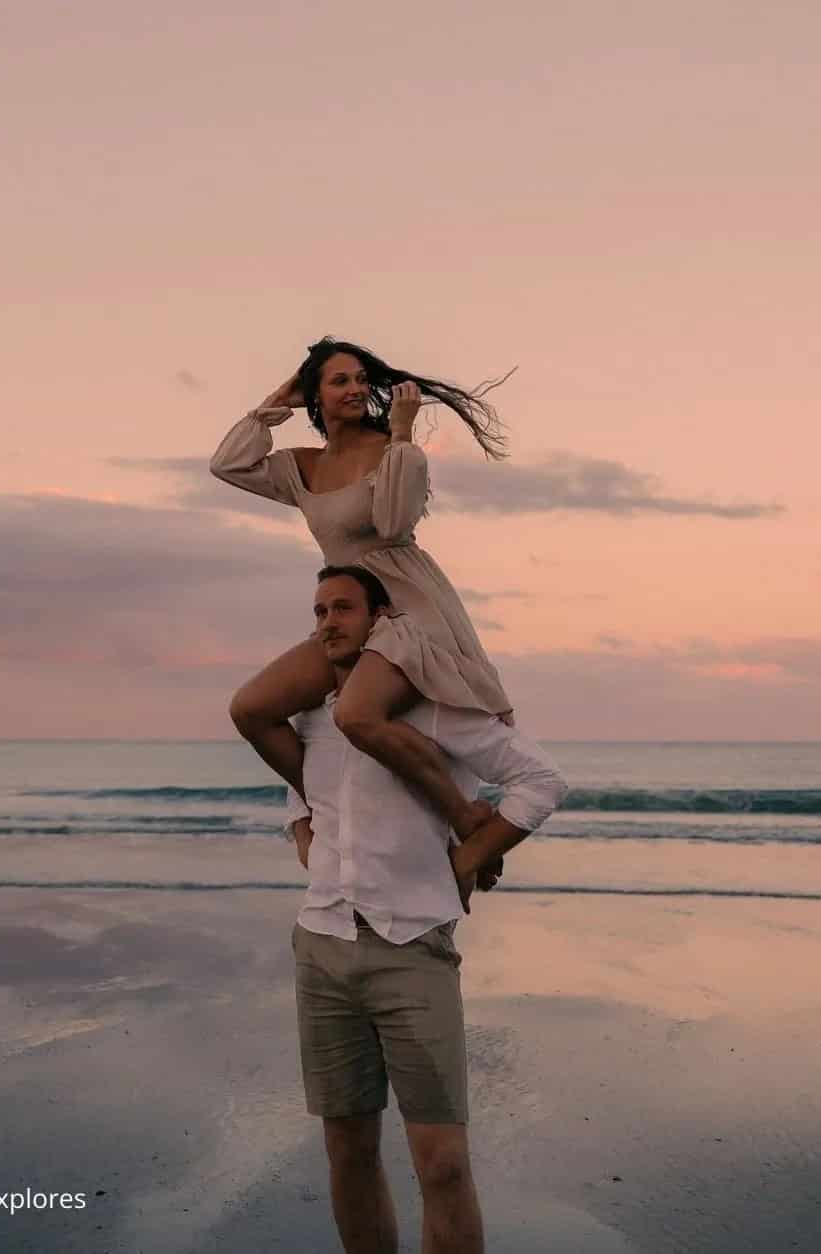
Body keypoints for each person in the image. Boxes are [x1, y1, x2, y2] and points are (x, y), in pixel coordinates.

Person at [280, 564, 568, 1254]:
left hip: (412, 952)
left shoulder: (437, 709)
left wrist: (468, 859)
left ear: (384, 622)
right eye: (319, 610)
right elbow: (299, 800)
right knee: (346, 1149)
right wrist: (309, 845)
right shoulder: (312, 714)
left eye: (343, 607)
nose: (327, 622)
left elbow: (541, 782)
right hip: (320, 949)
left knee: (441, 1161)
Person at [209, 336, 516, 843]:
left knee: (355, 714)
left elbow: (393, 522)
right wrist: (272, 405)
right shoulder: (300, 467)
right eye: (339, 381)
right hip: (346, 612)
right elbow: (228, 465)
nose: (355, 389)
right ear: (316, 395)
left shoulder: (398, 453)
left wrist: (401, 434)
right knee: (251, 709)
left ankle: (462, 815)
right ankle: (325, 804)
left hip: (405, 613)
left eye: (359, 379)